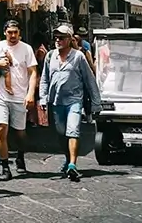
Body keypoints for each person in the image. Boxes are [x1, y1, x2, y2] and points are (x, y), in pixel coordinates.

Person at [39, 24, 101, 183]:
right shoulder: (50, 56)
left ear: (69, 39)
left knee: (72, 131)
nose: (58, 40)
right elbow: (45, 78)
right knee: (61, 133)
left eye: (61, 38)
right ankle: (68, 159)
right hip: (56, 101)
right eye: (56, 38)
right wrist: (43, 97)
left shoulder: (78, 56)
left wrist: (96, 103)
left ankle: (73, 164)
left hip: (74, 100)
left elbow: (89, 80)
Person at [0, 20, 37, 179]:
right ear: (4, 32)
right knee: (1, 128)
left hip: (19, 96)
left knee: (20, 132)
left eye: (15, 32)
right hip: (0, 95)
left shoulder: (26, 49)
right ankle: (5, 166)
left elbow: (33, 72)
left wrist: (31, 93)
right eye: (10, 32)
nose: (13, 35)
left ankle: (20, 155)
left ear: (19, 32)